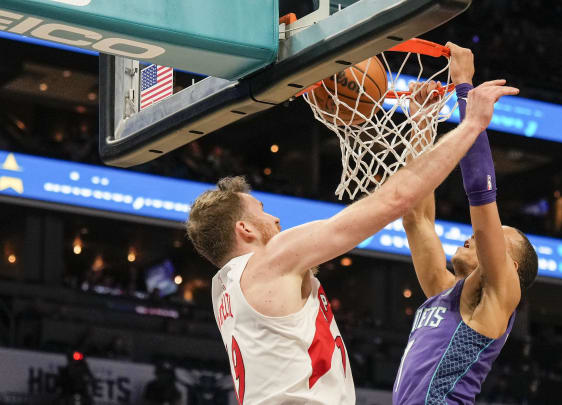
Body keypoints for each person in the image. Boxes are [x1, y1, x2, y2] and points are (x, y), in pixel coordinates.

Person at [185, 44, 519, 405]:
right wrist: (470, 123)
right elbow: (400, 203)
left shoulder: (225, 290)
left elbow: (429, 214)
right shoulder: (273, 259)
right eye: (262, 211)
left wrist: (422, 123)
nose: (275, 218)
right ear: (244, 230)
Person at [392, 44, 538, 404]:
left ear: (510, 266)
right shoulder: (444, 295)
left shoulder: (497, 299)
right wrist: (422, 124)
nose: (475, 236)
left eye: (493, 239)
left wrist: (464, 88)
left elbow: (480, 194)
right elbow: (416, 216)